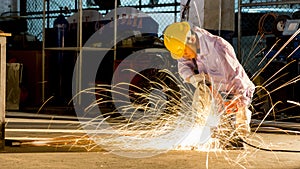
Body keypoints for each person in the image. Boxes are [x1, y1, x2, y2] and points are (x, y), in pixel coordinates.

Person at [163, 22, 255, 145]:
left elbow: (236, 78)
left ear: (191, 39)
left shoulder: (218, 48)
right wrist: (193, 78)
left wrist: (239, 102)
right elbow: (183, 66)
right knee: (202, 100)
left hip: (235, 91)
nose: (184, 56)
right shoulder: (186, 44)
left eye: (185, 52)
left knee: (234, 134)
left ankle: (238, 128)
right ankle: (199, 131)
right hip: (212, 87)